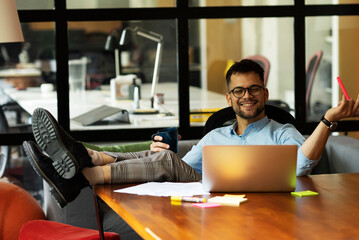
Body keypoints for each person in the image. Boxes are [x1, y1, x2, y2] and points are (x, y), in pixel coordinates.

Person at [23, 59, 358, 233]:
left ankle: (80, 173)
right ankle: (85, 155)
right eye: (239, 91)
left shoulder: (282, 131)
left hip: (243, 204)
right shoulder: (216, 137)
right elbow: (188, 169)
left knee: (166, 162)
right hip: (203, 194)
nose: (247, 97)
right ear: (229, 98)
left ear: (264, 94)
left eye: (254, 89)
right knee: (164, 158)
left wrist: (328, 121)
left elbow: (301, 166)